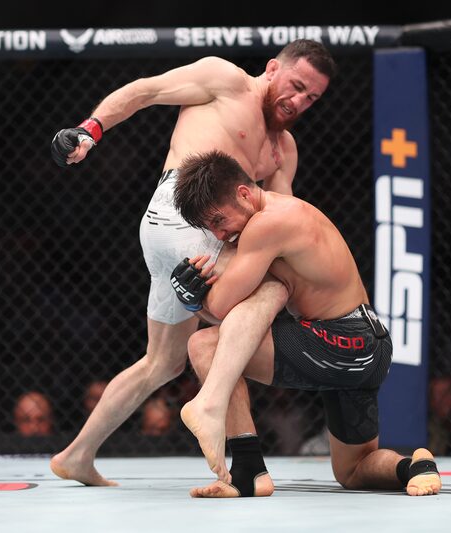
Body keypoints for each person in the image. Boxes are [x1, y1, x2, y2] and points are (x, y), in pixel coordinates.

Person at [47, 39, 336, 486]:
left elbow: (282, 223)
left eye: (312, 98)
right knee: (266, 292)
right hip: (182, 218)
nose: (298, 102)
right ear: (273, 68)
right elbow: (145, 90)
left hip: (187, 238)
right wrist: (90, 129)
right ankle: (230, 436)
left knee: (163, 362)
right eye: (296, 86)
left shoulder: (282, 151)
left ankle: (76, 455)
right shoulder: (224, 81)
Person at [169, 150, 441, 497]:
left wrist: (191, 296)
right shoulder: (285, 211)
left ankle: (248, 469)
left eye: (219, 221)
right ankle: (414, 467)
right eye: (211, 228)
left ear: (243, 193)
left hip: (342, 341)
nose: (220, 234)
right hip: (368, 342)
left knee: (205, 344)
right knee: (354, 470)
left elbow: (220, 306)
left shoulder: (267, 224)